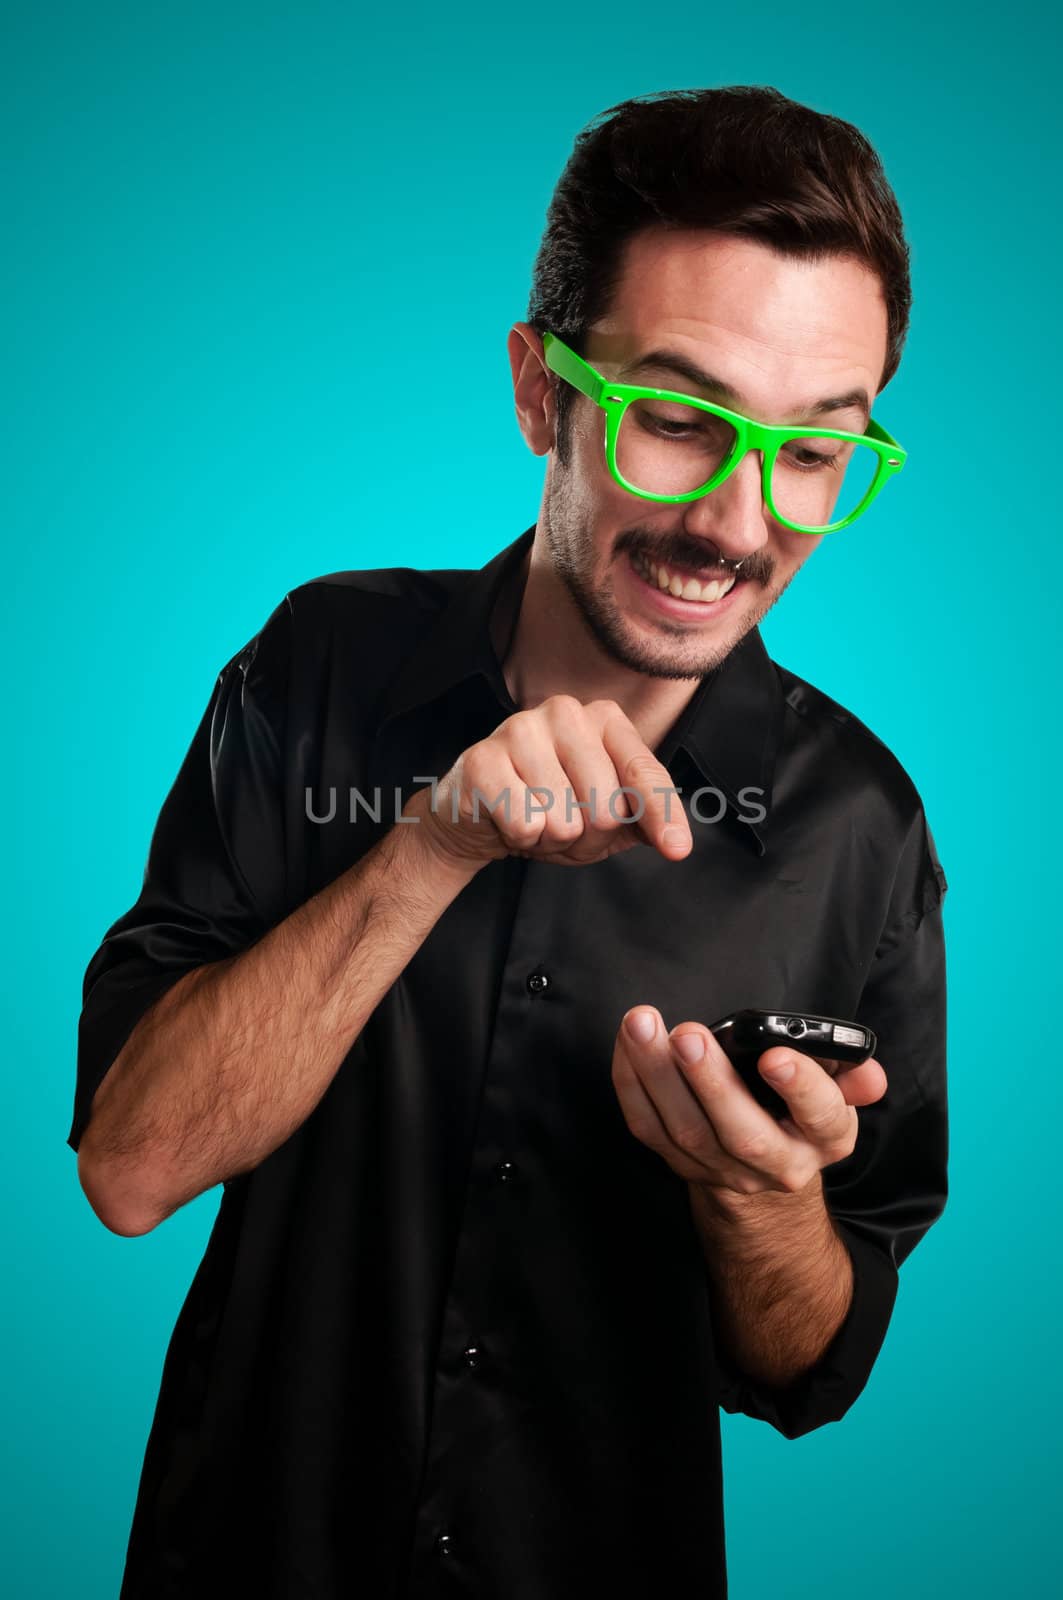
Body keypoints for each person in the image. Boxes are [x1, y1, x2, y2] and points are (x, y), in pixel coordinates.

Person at [69, 84, 948, 1600]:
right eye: (678, 418)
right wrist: (428, 851)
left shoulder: (861, 825)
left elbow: (814, 1370)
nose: (741, 520)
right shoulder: (319, 665)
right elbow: (134, 1169)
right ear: (544, 393)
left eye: (816, 452)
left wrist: (763, 1204)